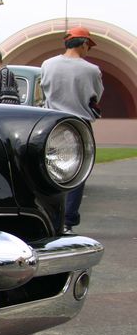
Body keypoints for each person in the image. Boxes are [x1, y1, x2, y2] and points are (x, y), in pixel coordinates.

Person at [41, 26, 104, 233]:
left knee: (50, 172)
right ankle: (67, 221)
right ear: (84, 43)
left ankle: (49, 217)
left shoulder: (47, 64)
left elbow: (44, 91)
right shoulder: (91, 70)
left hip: (51, 123)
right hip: (79, 124)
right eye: (88, 46)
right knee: (76, 174)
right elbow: (95, 96)